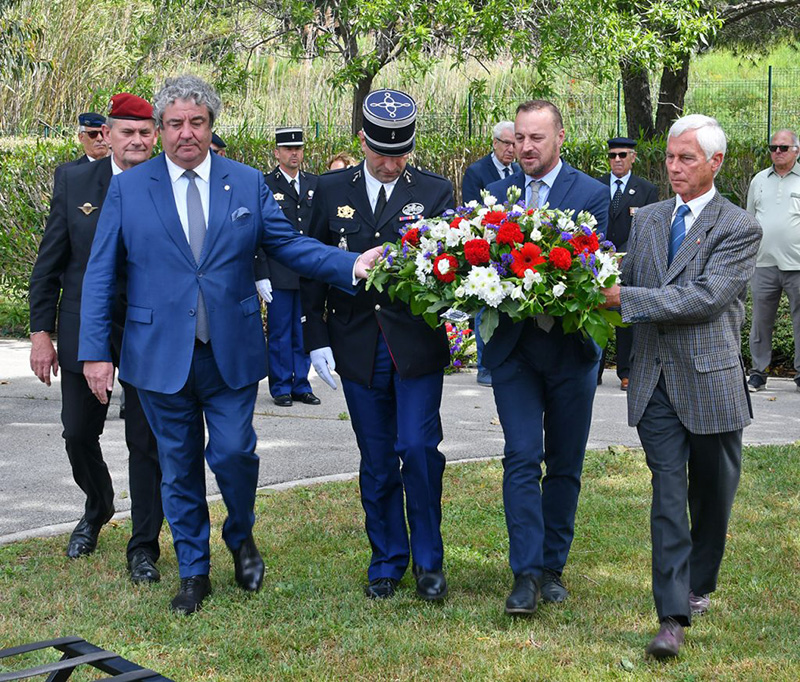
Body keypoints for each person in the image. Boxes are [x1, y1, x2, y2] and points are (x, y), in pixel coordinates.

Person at [78, 74, 381, 615]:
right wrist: (96, 352)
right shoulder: (128, 188)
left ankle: (240, 535)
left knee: (235, 453)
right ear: (160, 130)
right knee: (178, 466)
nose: (186, 134)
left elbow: (287, 244)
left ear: (211, 126)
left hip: (231, 352)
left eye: (197, 122)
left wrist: (349, 264)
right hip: (157, 355)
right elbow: (101, 274)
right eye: (175, 124)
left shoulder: (244, 184)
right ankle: (194, 570)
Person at [601, 114, 761, 659]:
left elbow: (706, 298)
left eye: (686, 158)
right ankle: (670, 616)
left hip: (711, 382)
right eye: (669, 157)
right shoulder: (645, 218)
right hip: (654, 383)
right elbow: (626, 275)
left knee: (712, 495)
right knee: (668, 494)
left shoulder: (737, 227)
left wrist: (628, 301)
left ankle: (700, 581)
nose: (673, 167)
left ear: (715, 162)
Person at [302, 89, 454, 602]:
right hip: (356, 343)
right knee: (376, 457)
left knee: (417, 447)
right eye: (380, 153)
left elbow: (448, 266)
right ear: (362, 140)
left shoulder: (435, 191)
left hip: (414, 346)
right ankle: (387, 560)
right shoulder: (327, 189)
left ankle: (429, 562)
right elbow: (311, 267)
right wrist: (315, 338)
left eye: (400, 154)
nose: (390, 164)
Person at [29, 94, 164, 584]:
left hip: (151, 329)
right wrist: (42, 332)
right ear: (106, 135)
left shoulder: (169, 182)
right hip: (86, 324)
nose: (137, 140)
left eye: (145, 131)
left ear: (156, 136)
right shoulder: (75, 182)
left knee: (147, 440)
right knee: (78, 431)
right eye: (126, 132)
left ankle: (144, 545)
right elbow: (50, 263)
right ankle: (98, 505)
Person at [484, 100, 609, 616]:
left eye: (537, 137)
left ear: (560, 138)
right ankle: (525, 572)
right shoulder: (492, 196)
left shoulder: (592, 194)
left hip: (571, 349)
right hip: (513, 351)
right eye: (520, 137)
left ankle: (553, 567)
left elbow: (595, 266)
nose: (527, 147)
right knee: (520, 455)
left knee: (564, 462)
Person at [254, 127, 320, 407]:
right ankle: (280, 385)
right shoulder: (265, 184)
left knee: (304, 329)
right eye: (289, 149)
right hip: (279, 271)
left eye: (299, 148)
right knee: (280, 331)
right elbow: (256, 232)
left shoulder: (315, 184)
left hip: (308, 271)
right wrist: (261, 273)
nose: (295, 153)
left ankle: (302, 384)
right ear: (277, 152)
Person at [462, 121, 521, 387]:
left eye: (514, 144)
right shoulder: (477, 171)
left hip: (512, 249)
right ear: (494, 143)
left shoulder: (519, 170)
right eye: (506, 143)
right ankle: (484, 366)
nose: (511, 149)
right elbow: (471, 210)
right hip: (485, 248)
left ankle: (507, 362)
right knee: (485, 306)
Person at [598, 136, 659, 390]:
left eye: (623, 155)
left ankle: (626, 371)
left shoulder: (646, 190)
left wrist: (623, 255)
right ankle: (594, 370)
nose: (617, 160)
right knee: (597, 315)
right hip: (598, 261)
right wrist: (603, 253)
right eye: (613, 155)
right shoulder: (596, 185)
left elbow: (648, 229)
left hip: (629, 262)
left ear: (633, 157)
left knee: (626, 318)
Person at [745, 129, 800, 393]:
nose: (777, 151)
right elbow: (750, 220)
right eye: (773, 147)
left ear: (796, 151)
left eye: (783, 147)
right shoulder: (759, 180)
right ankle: (758, 373)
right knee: (760, 322)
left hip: (798, 265)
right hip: (763, 263)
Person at [53, 112, 109, 187]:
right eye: (93, 134)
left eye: (103, 134)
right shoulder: (67, 173)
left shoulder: (120, 169)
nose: (100, 138)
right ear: (81, 137)